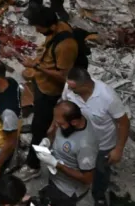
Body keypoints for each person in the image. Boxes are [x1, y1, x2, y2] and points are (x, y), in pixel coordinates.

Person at [24, 11, 89, 172]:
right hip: (42, 86)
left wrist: (36, 66)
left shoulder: (65, 45)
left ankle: (33, 165)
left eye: (39, 28)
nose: (37, 31)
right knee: (38, 122)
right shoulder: (58, 27)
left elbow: (63, 76)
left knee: (40, 130)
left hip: (50, 92)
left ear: (51, 26)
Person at [64, 67, 129, 206]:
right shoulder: (70, 89)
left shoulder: (108, 97)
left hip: (103, 144)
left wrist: (118, 149)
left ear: (85, 85)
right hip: (80, 139)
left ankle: (99, 195)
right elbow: (65, 106)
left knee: (101, 170)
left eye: (73, 87)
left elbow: (123, 123)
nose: (69, 89)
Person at [32, 101, 99, 206]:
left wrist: (56, 164)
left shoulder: (86, 146)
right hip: (57, 177)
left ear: (74, 122)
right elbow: (55, 130)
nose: (58, 126)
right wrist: (47, 140)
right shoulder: (74, 118)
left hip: (68, 189)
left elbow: (87, 179)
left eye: (61, 124)